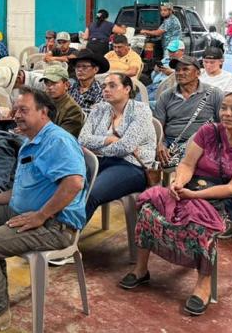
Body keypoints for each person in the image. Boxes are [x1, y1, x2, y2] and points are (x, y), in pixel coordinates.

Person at [0, 87, 86, 333]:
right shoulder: (31, 141)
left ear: (43, 112)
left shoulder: (56, 141)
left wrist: (41, 215)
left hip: (55, 225)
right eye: (16, 109)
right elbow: (20, 191)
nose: (16, 115)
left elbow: (74, 183)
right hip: (29, 213)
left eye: (24, 110)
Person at [121, 93, 232, 316]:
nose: (226, 113)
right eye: (224, 108)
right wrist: (178, 183)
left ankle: (203, 284)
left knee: (200, 227)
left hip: (225, 199)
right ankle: (141, 269)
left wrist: (194, 196)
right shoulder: (208, 132)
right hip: (192, 187)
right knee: (149, 208)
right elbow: (187, 164)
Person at [78, 73, 156, 223]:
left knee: (92, 194)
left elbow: (125, 147)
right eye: (104, 86)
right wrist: (108, 139)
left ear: (127, 89)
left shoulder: (141, 110)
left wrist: (97, 148)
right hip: (100, 161)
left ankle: (68, 237)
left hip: (131, 165)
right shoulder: (100, 109)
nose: (106, 90)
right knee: (69, 185)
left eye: (112, 86)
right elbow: (82, 139)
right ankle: (53, 228)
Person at [154, 55, 223, 167]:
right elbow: (158, 126)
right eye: (177, 70)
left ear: (198, 73)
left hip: (202, 144)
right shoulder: (166, 96)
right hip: (171, 143)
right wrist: (160, 144)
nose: (180, 73)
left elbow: (223, 125)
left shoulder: (214, 94)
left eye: (185, 69)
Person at [40, 64, 85, 137]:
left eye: (54, 83)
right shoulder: (41, 100)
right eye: (47, 83)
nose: (50, 87)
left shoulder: (73, 110)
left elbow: (60, 139)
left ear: (66, 85)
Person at [68, 49, 109, 115]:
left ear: (95, 69)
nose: (80, 70)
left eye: (84, 67)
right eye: (77, 66)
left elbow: (97, 114)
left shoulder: (101, 91)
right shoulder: (70, 88)